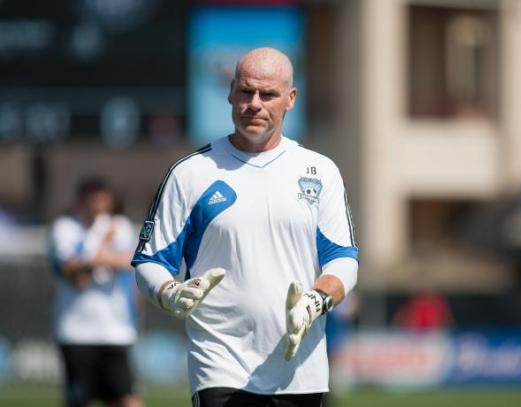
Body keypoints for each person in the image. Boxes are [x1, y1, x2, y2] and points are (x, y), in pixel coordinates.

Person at [132, 47, 359, 407]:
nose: (254, 103)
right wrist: (171, 293)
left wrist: (314, 303)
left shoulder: (321, 171)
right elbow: (150, 261)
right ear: (230, 93)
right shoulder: (190, 174)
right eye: (245, 91)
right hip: (220, 368)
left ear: (290, 99)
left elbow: (343, 260)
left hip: (300, 372)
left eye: (268, 94)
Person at [50, 178, 143, 407]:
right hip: (77, 331)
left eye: (103, 200)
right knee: (80, 399)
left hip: (115, 329)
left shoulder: (118, 225)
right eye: (94, 200)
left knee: (125, 398)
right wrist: (102, 250)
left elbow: (128, 261)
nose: (99, 207)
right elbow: (73, 273)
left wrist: (93, 261)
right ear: (82, 201)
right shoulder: (65, 228)